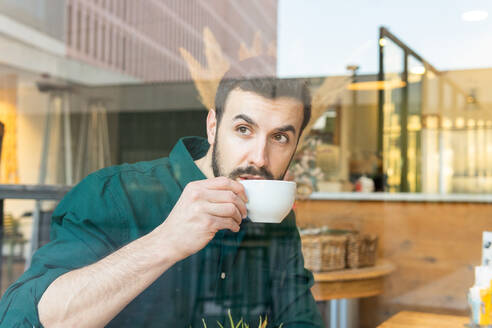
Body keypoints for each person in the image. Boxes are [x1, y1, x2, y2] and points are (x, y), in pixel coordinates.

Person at [0, 57, 323, 328]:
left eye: (280, 137)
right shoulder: (114, 195)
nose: (259, 157)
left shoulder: (277, 220)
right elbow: (19, 318)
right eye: (243, 129)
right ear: (213, 126)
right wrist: (166, 241)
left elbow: (299, 320)